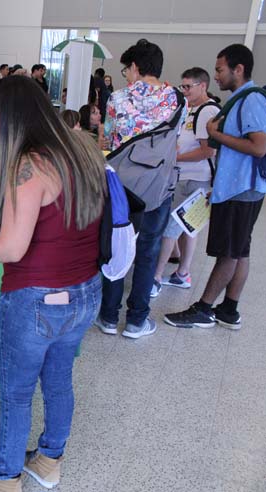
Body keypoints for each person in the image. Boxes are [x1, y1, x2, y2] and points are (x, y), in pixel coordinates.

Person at [0, 76, 106, 492]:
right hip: (86, 291)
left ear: (16, 118)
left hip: (36, 297)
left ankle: (7, 477)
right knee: (58, 379)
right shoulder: (81, 147)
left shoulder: (27, 165)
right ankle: (50, 459)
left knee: (16, 394)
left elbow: (13, 250)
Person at [164, 45, 266, 330]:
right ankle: (229, 310)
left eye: (220, 69)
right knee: (240, 249)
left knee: (229, 252)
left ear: (239, 69)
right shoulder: (242, 99)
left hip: (241, 187)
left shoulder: (251, 100)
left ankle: (204, 308)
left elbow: (259, 146)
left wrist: (215, 134)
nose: (216, 75)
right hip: (240, 186)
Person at [96, 39, 182, 339]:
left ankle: (107, 316)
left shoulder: (116, 99)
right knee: (148, 252)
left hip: (122, 187)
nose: (126, 75)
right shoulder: (177, 99)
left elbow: (105, 140)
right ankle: (136, 321)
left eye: (126, 69)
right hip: (159, 185)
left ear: (134, 66)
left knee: (115, 246)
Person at [150, 68, 219, 298]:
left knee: (171, 227)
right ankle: (183, 273)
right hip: (187, 176)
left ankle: (156, 277)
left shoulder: (208, 110)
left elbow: (207, 151)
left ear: (203, 86)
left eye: (188, 86)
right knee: (189, 228)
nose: (185, 91)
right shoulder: (193, 109)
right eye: (183, 86)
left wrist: (175, 157)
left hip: (196, 178)